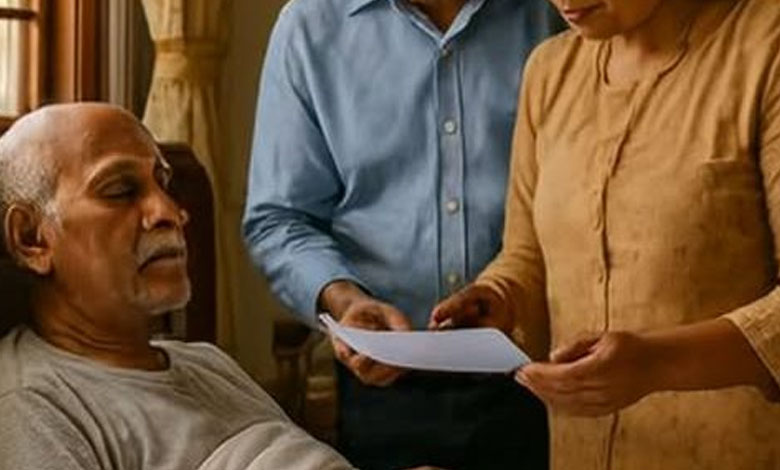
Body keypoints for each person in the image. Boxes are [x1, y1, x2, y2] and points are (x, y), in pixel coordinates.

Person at [432, 0, 780, 468]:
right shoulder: (550, 71)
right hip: (578, 451)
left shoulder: (764, 48)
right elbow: (526, 254)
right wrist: (501, 299)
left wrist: (657, 363)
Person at [243, 0, 564, 468]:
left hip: (542, 368)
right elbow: (280, 217)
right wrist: (346, 301)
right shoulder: (310, 26)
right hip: (382, 382)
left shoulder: (555, 14)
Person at [0, 103, 355, 470]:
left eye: (164, 184)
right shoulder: (31, 406)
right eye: (120, 190)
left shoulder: (208, 362)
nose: (170, 211)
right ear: (31, 238)